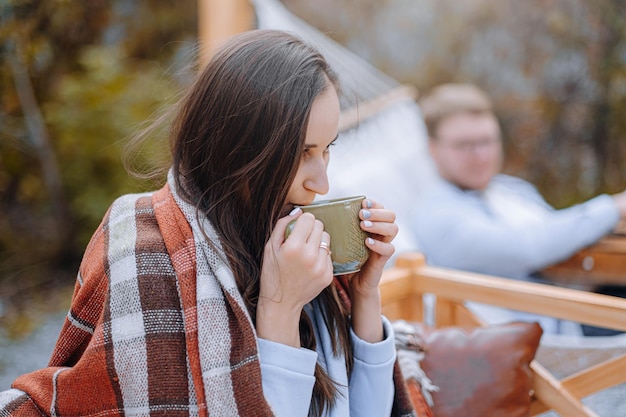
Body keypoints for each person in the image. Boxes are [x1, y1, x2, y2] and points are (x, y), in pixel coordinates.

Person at [0, 30, 414, 416]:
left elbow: (367, 411)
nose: (320, 184)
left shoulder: (299, 241)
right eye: (302, 152)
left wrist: (364, 295)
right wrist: (279, 310)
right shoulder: (147, 251)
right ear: (239, 148)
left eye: (327, 150)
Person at [411, 83, 626, 334]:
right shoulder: (437, 215)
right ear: (433, 150)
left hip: (579, 308)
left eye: (487, 141)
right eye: (464, 145)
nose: (481, 155)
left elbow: (558, 232)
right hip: (544, 345)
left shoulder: (512, 190)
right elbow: (527, 246)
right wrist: (612, 207)